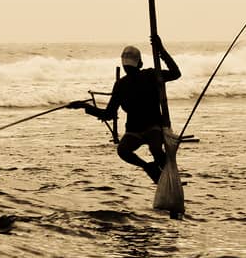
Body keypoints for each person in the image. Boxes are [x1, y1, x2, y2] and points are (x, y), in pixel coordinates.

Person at [69, 37, 181, 183]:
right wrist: (161, 50)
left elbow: (107, 114)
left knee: (142, 150)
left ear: (124, 66)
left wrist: (84, 106)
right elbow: (176, 73)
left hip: (153, 127)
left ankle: (164, 173)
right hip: (135, 131)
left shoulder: (141, 78)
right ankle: (150, 168)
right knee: (130, 150)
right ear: (139, 63)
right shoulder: (135, 79)